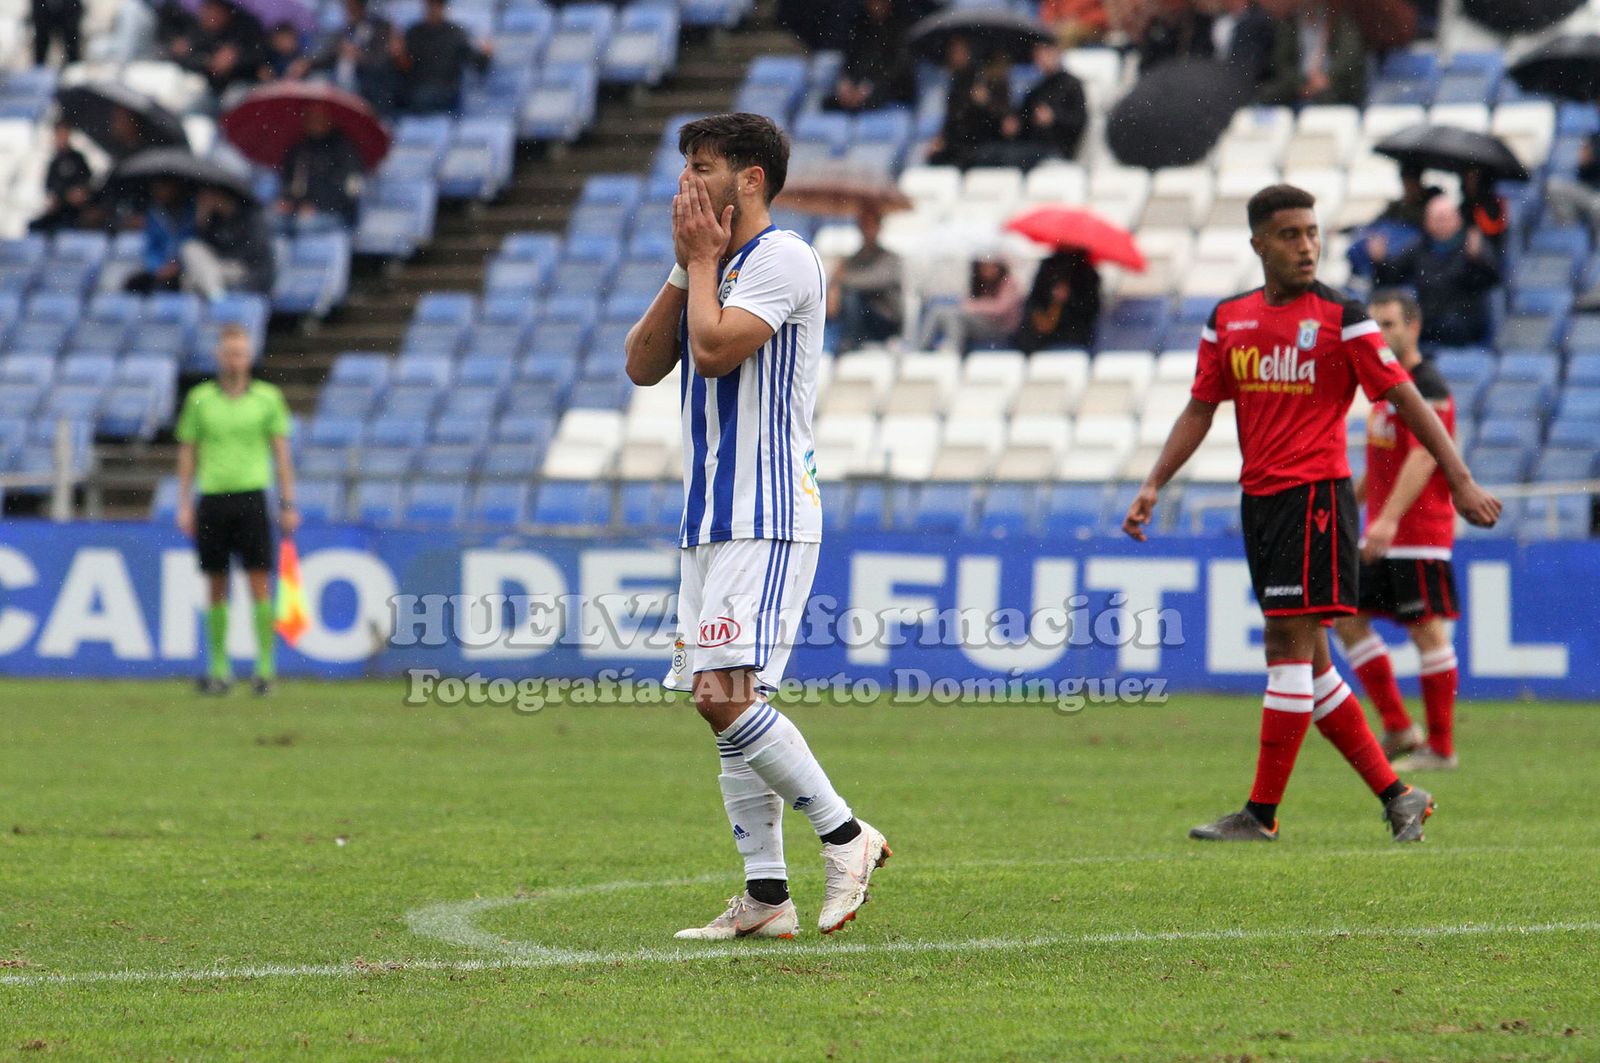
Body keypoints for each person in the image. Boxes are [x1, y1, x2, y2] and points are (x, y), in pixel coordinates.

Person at [1122, 183, 1500, 843]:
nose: (1307, 245)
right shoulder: (1228, 319)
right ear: (1258, 243)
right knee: (1313, 662)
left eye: (1313, 232)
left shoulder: (1342, 315)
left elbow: (1408, 397)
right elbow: (1202, 407)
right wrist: (1155, 480)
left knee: (1287, 651)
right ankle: (1399, 793)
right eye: (1290, 234)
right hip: (1260, 502)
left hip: (1316, 500)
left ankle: (1261, 813)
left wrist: (1459, 477)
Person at [623, 113, 890, 941]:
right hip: (709, 514)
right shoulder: (711, 262)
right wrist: (687, 264)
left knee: (721, 696)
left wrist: (703, 264)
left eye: (702, 167)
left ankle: (847, 836)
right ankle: (767, 895)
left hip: (765, 509)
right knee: (732, 702)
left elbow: (711, 350)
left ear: (749, 179)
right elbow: (642, 362)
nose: (686, 184)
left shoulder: (783, 257)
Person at [1334, 290, 1461, 772]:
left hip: (1418, 531)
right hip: (1384, 530)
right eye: (1375, 325)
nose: (1382, 334)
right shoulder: (1385, 386)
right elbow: (1381, 462)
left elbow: (1423, 455)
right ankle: (1399, 726)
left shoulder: (1427, 384)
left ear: (1414, 326)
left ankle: (1442, 747)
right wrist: (1350, 508)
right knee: (1347, 620)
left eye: (1390, 324)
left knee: (1427, 632)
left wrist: (1386, 519)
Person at [175, 323, 298, 697]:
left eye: (241, 353)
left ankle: (264, 669)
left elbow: (280, 453)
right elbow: (188, 451)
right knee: (215, 582)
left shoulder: (267, 398)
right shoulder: (199, 399)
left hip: (251, 498)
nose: (235, 359)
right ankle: (219, 668)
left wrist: (288, 501)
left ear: (249, 357)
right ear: (218, 356)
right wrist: (183, 502)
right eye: (229, 352)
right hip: (212, 498)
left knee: (259, 582)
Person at [1368, 194, 1500, 347]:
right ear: (1427, 222)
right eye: (1438, 219)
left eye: (1446, 218)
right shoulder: (1418, 246)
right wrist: (1379, 262)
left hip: (1463, 322)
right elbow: (1391, 277)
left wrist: (1478, 260)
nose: (1442, 223)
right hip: (1428, 320)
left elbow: (1493, 280)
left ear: (1457, 220)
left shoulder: (1472, 245)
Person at [291, 0, 400, 115]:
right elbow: (330, 56)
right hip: (339, 82)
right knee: (315, 81)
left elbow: (382, 61)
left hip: (368, 84)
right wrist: (307, 63)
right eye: (347, 5)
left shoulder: (380, 27)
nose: (348, 9)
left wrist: (359, 56)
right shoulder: (345, 30)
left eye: (352, 5)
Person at [1254, 0, 1367, 107]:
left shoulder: (1338, 22)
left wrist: (1328, 78)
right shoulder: (1290, 24)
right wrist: (1301, 83)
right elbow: (1281, 61)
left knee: (1327, 97)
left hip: (1332, 84)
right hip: (1297, 84)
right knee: (1267, 94)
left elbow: (1348, 56)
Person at [393, 0, 492, 116]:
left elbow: (476, 64)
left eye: (437, 5)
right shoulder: (413, 33)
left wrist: (485, 55)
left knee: (422, 97)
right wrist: (397, 56)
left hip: (445, 91)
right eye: (430, 5)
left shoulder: (455, 34)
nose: (433, 9)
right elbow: (402, 66)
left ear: (443, 8)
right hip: (415, 89)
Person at [276, 106, 366, 232]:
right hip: (300, 211)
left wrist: (317, 205)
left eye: (319, 117)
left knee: (304, 224)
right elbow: (289, 181)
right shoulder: (300, 148)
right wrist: (288, 201)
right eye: (310, 117)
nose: (314, 122)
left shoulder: (343, 149)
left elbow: (346, 190)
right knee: (273, 221)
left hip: (336, 213)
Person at [827, 206, 903, 350]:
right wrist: (834, 284)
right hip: (862, 319)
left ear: (879, 226)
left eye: (870, 224)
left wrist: (840, 279)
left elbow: (874, 280)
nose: (867, 229)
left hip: (885, 321)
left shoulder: (890, 258)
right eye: (864, 224)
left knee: (850, 295)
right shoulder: (852, 259)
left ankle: (851, 341)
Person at [927, 46, 1012, 170]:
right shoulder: (957, 84)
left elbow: (1004, 122)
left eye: (960, 51)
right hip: (961, 144)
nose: (955, 56)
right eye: (953, 52)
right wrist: (942, 138)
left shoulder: (997, 83)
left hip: (987, 143)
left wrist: (986, 104)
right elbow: (953, 119)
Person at [825, 0, 917, 113]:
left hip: (890, 91)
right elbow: (851, 55)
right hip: (857, 86)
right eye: (873, 3)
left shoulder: (901, 24)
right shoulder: (859, 23)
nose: (877, 6)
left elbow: (897, 63)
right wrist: (846, 81)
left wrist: (868, 86)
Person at [188, 186, 276, 298]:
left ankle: (218, 300)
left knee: (195, 279)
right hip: (217, 268)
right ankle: (216, 296)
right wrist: (202, 221)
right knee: (190, 250)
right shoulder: (214, 219)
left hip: (246, 269)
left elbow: (254, 253)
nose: (203, 201)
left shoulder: (251, 216)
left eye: (206, 196)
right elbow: (206, 249)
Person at [168, 0, 269, 96]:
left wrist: (236, 59)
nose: (210, 15)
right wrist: (205, 60)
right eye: (207, 9)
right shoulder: (197, 29)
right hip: (209, 89)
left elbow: (261, 57)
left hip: (245, 86)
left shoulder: (247, 28)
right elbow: (190, 58)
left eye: (215, 11)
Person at [1014, 249, 1100, 352]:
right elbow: (1035, 299)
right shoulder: (1047, 267)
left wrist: (1070, 299)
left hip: (1074, 332)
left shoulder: (1087, 272)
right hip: (1045, 333)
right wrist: (1040, 315)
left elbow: (1091, 309)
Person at [125, 177, 197, 294]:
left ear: (176, 188)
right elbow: (150, 247)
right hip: (161, 273)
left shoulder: (192, 212)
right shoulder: (154, 215)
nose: (159, 192)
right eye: (156, 189)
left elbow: (195, 242)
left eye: (164, 188)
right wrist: (158, 267)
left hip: (187, 271)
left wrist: (179, 266)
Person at [30, 122, 93, 234]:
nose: (61, 138)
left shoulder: (78, 159)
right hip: (59, 210)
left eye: (64, 134)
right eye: (59, 134)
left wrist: (79, 194)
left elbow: (86, 183)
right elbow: (49, 188)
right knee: (35, 227)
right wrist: (54, 199)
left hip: (76, 212)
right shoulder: (54, 161)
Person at [31, 0, 83, 66]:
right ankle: (39, 66)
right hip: (44, 10)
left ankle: (73, 65)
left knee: (71, 37)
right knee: (41, 38)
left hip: (68, 10)